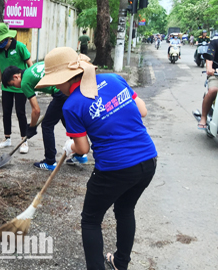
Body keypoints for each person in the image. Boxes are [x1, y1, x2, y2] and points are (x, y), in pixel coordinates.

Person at [36, 47, 157, 270]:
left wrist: (70, 146)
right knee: (125, 209)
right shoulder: (114, 79)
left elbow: (82, 148)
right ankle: (120, 263)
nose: (56, 87)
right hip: (148, 161)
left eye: (56, 82)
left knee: (91, 220)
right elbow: (142, 110)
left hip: (114, 169)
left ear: (65, 80)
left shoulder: (71, 105)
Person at [1, 63, 87, 170]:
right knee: (66, 120)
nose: (15, 87)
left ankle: (50, 162)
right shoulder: (31, 69)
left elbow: (36, 110)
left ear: (16, 76)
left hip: (60, 92)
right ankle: (80, 154)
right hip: (69, 87)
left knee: (47, 125)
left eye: (13, 84)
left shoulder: (24, 83)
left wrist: (31, 128)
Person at [0, 23, 33, 153]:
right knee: (6, 112)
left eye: (1, 40)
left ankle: (24, 140)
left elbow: (30, 65)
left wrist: (32, 83)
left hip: (21, 86)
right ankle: (7, 139)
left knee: (20, 113)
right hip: (6, 87)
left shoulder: (20, 47)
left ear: (8, 37)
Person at [198, 38, 218, 130]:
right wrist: (209, 68)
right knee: (213, 90)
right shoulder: (214, 43)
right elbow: (209, 58)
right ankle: (203, 117)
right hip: (216, 75)